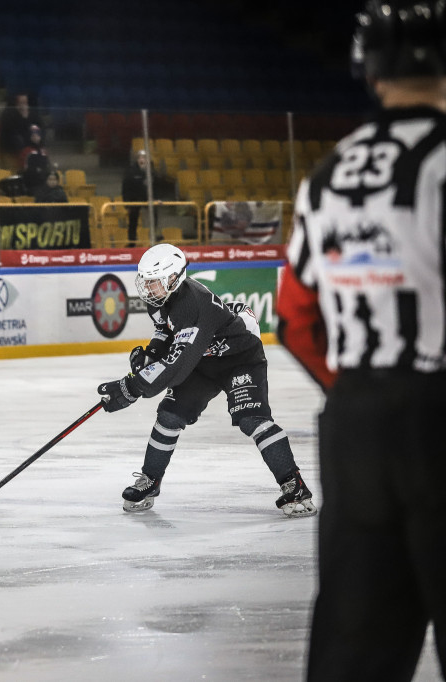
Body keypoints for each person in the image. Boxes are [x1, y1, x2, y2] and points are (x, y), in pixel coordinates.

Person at [277, 3, 446, 679]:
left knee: (356, 645)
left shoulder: (328, 174)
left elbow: (293, 316)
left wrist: (359, 390)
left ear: (369, 73)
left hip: (355, 433)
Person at [98, 243, 316, 518]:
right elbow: (164, 330)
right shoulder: (160, 299)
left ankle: (294, 486)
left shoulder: (193, 305)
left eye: (154, 283)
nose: (147, 289)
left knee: (252, 419)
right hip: (203, 360)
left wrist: (132, 386)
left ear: (174, 279)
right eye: (146, 282)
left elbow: (176, 365)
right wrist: (152, 352)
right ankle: (150, 481)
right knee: (169, 416)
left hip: (239, 358)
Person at [121, 149, 158, 247]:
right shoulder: (131, 171)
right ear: (137, 159)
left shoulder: (151, 170)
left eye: (144, 157)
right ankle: (132, 242)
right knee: (133, 221)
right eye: (141, 157)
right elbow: (125, 187)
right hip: (134, 199)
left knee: (154, 214)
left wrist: (155, 198)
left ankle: (154, 237)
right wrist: (126, 202)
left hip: (147, 198)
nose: (142, 160)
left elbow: (155, 186)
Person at [0, 92, 44, 162]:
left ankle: (39, 161)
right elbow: (11, 130)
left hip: (30, 139)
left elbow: (39, 125)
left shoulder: (32, 113)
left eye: (25, 103)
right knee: (19, 139)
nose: (24, 105)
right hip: (13, 142)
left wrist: (37, 134)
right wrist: (24, 117)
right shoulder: (8, 113)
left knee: (38, 138)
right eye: (21, 103)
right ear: (16, 103)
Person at [19, 124, 52, 195]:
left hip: (44, 182)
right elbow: (24, 168)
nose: (35, 137)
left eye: (37, 135)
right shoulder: (26, 150)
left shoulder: (44, 150)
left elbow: (48, 165)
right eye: (33, 136)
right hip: (32, 183)